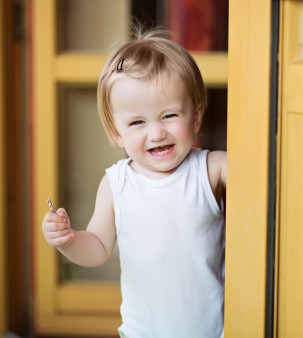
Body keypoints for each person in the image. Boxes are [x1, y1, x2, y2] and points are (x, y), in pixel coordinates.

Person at [41, 26, 226, 338]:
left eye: (169, 116)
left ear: (195, 116)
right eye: (137, 122)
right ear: (117, 133)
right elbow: (98, 248)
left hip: (213, 332)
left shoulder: (212, 169)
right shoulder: (116, 184)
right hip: (142, 332)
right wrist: (70, 240)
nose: (156, 133)